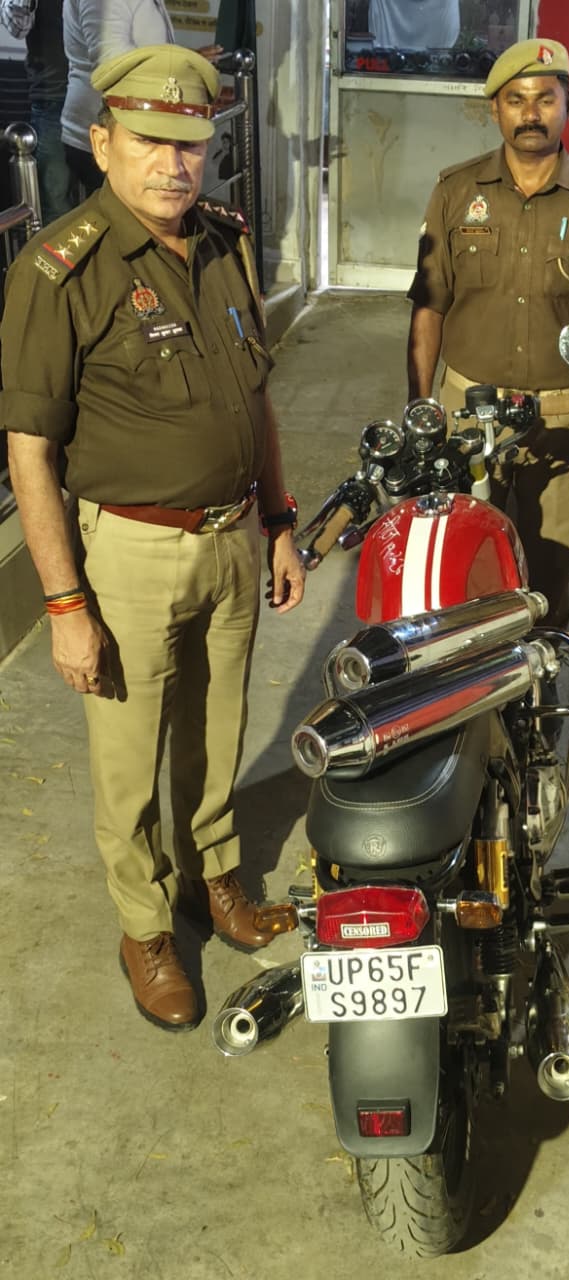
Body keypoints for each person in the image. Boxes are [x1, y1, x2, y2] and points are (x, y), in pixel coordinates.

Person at [0, 44, 306, 1030]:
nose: (175, 165)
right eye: (149, 141)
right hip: (129, 553)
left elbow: (255, 397)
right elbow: (30, 450)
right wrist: (64, 604)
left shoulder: (222, 241)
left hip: (233, 539)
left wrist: (279, 519)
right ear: (102, 143)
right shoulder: (62, 271)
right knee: (129, 759)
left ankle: (213, 879)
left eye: (191, 143)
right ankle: (144, 926)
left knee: (217, 735)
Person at [407, 37, 569, 626]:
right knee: (458, 564)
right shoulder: (456, 191)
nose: (531, 113)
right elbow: (429, 306)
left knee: (548, 572)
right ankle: (468, 673)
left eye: (545, 99)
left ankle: (541, 673)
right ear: (496, 109)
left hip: (564, 420)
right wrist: (420, 410)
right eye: (516, 100)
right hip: (465, 412)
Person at [62, 0, 175, 199]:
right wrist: (177, 67)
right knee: (126, 215)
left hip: (132, 129)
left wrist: (182, 62)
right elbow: (112, 65)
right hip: (108, 133)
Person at [0, 0, 71, 224]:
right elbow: (18, 27)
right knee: (54, 199)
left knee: (108, 190)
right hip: (53, 96)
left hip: (100, 93)